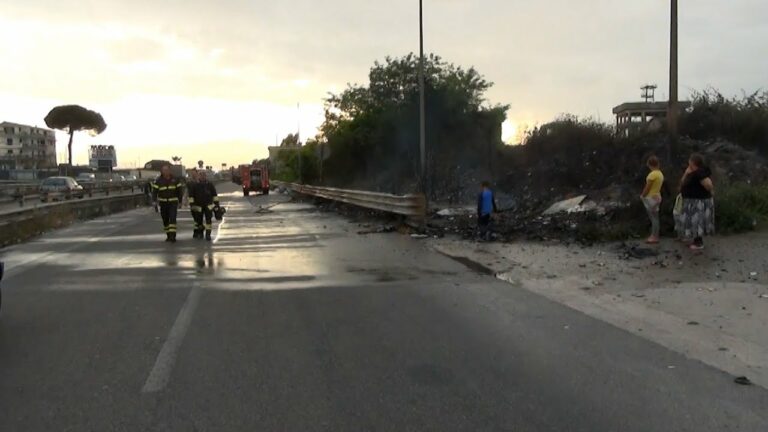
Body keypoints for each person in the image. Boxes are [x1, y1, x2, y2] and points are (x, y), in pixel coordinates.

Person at [678, 153, 715, 250]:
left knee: (697, 221)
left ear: (694, 162)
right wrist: (686, 173)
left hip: (699, 201)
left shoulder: (700, 173)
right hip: (691, 201)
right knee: (691, 221)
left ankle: (699, 242)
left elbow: (709, 185)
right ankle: (693, 238)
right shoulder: (692, 172)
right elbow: (682, 182)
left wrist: (709, 191)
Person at [151, 164, 184, 242]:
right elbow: (154, 192)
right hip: (163, 203)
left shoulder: (175, 180)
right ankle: (168, 235)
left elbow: (180, 191)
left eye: (167, 170)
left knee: (172, 218)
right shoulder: (158, 181)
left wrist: (180, 201)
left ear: (170, 171)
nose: (165, 171)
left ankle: (173, 236)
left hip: (173, 203)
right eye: (164, 170)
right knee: (165, 220)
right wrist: (154, 201)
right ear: (162, 171)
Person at [188, 170, 220, 241]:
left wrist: (217, 205)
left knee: (208, 220)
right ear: (199, 176)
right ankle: (200, 232)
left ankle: (208, 234)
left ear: (206, 176)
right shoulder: (195, 185)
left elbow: (214, 195)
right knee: (199, 220)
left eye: (204, 175)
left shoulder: (210, 185)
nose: (202, 176)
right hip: (198, 206)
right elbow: (191, 196)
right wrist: (192, 205)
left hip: (208, 205)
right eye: (201, 175)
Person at [640, 156, 665, 244]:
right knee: (656, 217)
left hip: (651, 197)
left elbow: (648, 187)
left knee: (653, 217)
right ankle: (655, 235)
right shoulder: (660, 174)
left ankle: (654, 236)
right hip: (657, 195)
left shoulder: (652, 175)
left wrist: (643, 195)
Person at [187, 170, 202, 239]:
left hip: (200, 202)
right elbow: (188, 193)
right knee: (195, 217)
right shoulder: (189, 183)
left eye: (194, 174)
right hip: (193, 203)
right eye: (192, 174)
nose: (193, 175)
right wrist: (189, 203)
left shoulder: (200, 182)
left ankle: (198, 231)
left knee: (198, 217)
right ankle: (197, 230)